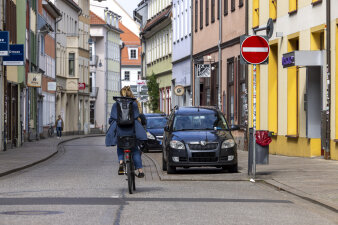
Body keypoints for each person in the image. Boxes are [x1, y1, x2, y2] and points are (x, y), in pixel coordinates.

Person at [105, 86, 147, 178]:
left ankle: (121, 163)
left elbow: (112, 118)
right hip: (132, 130)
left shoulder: (116, 104)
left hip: (120, 131)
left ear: (121, 94)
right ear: (130, 93)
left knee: (120, 147)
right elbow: (137, 116)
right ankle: (140, 171)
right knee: (135, 149)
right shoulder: (134, 104)